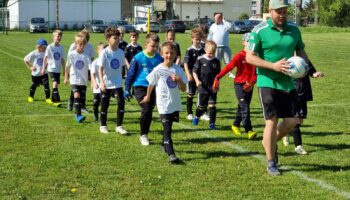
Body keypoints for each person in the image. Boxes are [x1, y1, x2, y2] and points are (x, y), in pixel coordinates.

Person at [246, 0, 311, 176]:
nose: (282, 15)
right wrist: (273, 66)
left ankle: (269, 142)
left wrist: (305, 67)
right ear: (270, 11)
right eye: (279, 12)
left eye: (284, 12)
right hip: (267, 81)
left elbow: (301, 51)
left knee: (291, 122)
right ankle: (271, 162)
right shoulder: (259, 30)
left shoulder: (294, 30)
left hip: (288, 83)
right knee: (271, 120)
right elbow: (250, 57)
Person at [140, 42, 187, 163]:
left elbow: (183, 89)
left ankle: (163, 144)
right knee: (167, 129)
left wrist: (179, 80)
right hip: (163, 104)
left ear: (175, 54)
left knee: (169, 126)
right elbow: (151, 83)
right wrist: (148, 96)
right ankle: (171, 154)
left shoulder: (178, 70)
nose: (169, 55)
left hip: (174, 103)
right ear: (162, 54)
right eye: (166, 53)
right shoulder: (158, 69)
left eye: (171, 53)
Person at [213, 33, 257, 139]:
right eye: (248, 41)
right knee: (245, 107)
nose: (250, 44)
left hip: (249, 86)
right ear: (243, 42)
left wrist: (251, 83)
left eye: (252, 42)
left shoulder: (255, 57)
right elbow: (229, 67)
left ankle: (235, 125)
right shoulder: (239, 56)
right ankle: (249, 130)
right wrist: (218, 77)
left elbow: (256, 74)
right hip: (239, 84)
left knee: (241, 106)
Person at [124, 32, 163, 146]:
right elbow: (131, 74)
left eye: (156, 46)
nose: (155, 48)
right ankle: (143, 135)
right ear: (146, 45)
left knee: (149, 111)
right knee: (146, 109)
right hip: (140, 86)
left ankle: (145, 131)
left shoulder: (159, 59)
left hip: (154, 88)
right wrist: (127, 88)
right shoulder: (138, 57)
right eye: (152, 46)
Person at [282, 60, 324, 154]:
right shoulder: (287, 60)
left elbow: (312, 72)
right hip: (291, 92)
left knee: (300, 120)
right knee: (296, 120)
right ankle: (298, 146)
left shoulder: (304, 60)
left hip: (303, 92)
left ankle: (286, 132)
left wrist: (315, 74)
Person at [98, 27, 128, 135]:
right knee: (105, 104)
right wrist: (101, 82)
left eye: (118, 37)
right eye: (115, 38)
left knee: (121, 103)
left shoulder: (120, 52)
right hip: (106, 82)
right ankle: (103, 125)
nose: (118, 39)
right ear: (108, 39)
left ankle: (119, 126)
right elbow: (100, 68)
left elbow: (122, 67)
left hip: (118, 82)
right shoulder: (104, 53)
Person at [192, 40, 221, 130]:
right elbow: (194, 72)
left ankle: (212, 124)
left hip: (212, 87)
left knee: (212, 106)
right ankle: (196, 116)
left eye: (212, 53)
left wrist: (217, 85)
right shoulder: (200, 59)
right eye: (209, 53)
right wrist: (197, 81)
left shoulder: (216, 61)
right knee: (202, 107)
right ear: (205, 50)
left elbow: (218, 75)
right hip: (203, 87)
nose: (210, 55)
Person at [64, 34, 90, 123]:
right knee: (77, 95)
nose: (81, 46)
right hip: (74, 78)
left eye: (83, 44)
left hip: (83, 80)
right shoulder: (71, 54)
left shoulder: (86, 56)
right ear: (76, 44)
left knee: (81, 100)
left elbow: (91, 68)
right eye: (80, 44)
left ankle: (71, 101)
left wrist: (92, 79)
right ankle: (78, 115)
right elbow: (67, 67)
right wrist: (66, 78)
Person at [67, 30, 95, 112]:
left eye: (85, 39)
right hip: (75, 71)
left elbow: (92, 59)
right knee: (76, 90)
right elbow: (70, 58)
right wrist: (67, 74)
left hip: (84, 70)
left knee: (82, 91)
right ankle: (72, 102)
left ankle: (82, 107)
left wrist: (90, 73)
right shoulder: (73, 46)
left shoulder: (90, 47)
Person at [183, 28, 205, 121]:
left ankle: (202, 113)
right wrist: (188, 74)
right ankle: (189, 113)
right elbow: (185, 63)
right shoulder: (189, 50)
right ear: (192, 39)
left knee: (202, 94)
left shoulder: (203, 50)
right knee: (190, 94)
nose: (198, 41)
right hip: (192, 76)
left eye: (199, 39)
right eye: (196, 39)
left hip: (201, 76)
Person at [41, 29, 65, 107]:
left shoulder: (61, 47)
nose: (59, 38)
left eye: (60, 36)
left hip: (58, 70)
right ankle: (57, 100)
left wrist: (64, 69)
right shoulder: (49, 47)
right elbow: (45, 58)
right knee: (54, 83)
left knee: (56, 85)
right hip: (51, 69)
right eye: (57, 36)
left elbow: (62, 59)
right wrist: (43, 68)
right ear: (53, 37)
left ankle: (52, 99)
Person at [24, 39, 51, 104]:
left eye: (45, 47)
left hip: (44, 73)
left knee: (46, 85)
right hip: (35, 74)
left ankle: (47, 98)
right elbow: (25, 59)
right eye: (44, 47)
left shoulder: (46, 53)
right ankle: (30, 97)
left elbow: (48, 60)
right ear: (39, 46)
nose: (45, 48)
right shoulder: (34, 53)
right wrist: (30, 67)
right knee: (34, 85)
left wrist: (45, 67)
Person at [207, 12, 234, 78]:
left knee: (228, 61)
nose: (216, 19)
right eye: (215, 18)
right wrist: (208, 43)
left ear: (221, 18)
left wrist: (224, 20)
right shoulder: (212, 26)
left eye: (218, 18)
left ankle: (230, 73)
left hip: (225, 46)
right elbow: (210, 36)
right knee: (216, 61)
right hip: (216, 47)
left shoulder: (225, 25)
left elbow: (231, 27)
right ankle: (217, 73)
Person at [90, 42, 108, 122]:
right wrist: (94, 83)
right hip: (97, 85)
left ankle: (102, 117)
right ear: (98, 51)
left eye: (105, 49)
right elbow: (92, 74)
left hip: (105, 86)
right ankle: (95, 113)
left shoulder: (107, 62)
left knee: (104, 102)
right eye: (102, 49)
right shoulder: (95, 62)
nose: (104, 51)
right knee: (96, 103)